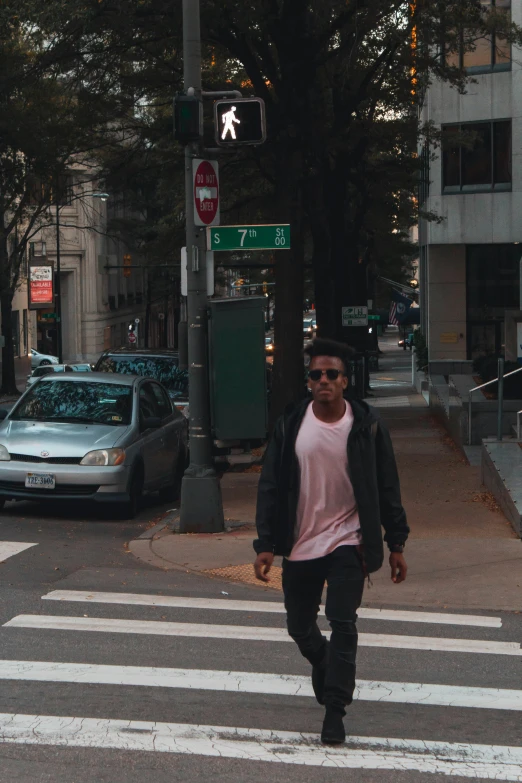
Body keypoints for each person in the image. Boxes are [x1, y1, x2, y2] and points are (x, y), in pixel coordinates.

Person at [253, 338, 409, 745]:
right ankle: (323, 662)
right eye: (316, 374)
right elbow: (270, 485)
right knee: (299, 627)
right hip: (302, 543)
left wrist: (397, 543)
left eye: (331, 374)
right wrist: (265, 543)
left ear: (344, 381)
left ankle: (335, 710)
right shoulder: (291, 425)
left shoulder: (367, 426)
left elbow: (387, 486)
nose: (323, 380)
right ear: (309, 382)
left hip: (348, 541)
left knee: (343, 621)